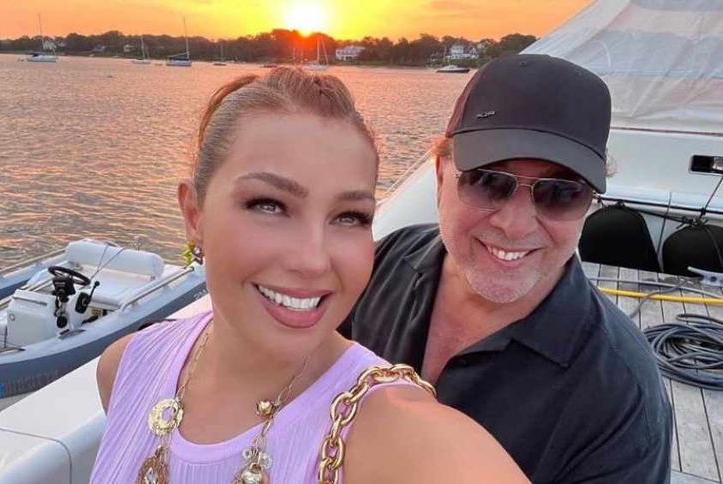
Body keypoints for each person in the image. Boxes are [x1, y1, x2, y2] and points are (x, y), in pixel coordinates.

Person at [90, 67, 527, 483]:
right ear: (194, 214)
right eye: (269, 205)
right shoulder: (128, 367)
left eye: (350, 216)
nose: (313, 261)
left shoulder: (405, 438)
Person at [342, 54, 673, 483]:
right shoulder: (385, 262)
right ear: (441, 176)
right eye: (488, 181)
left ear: (588, 204)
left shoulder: (620, 400)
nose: (515, 226)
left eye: (560, 193)